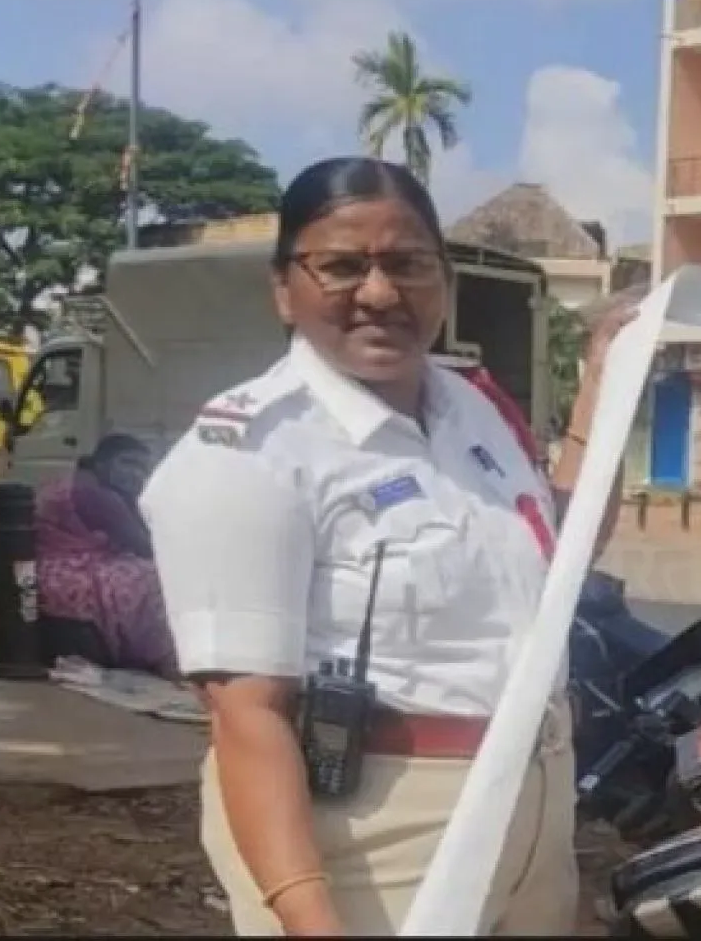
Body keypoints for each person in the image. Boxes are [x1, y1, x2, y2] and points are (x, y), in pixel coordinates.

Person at [138, 156, 630, 936]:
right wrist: (309, 918)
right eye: (341, 267)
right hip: (375, 833)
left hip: (533, 806)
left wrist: (606, 383)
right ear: (284, 289)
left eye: (408, 264)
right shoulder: (249, 453)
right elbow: (248, 719)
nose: (378, 293)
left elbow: (560, 556)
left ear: (444, 280)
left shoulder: (471, 407)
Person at [34, 432, 177, 678]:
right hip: (71, 573)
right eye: (127, 463)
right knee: (158, 580)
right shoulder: (96, 494)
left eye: (142, 468)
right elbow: (143, 545)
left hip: (53, 571)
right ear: (101, 463)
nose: (135, 473)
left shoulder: (78, 482)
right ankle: (165, 658)